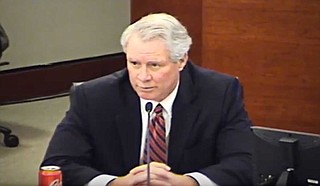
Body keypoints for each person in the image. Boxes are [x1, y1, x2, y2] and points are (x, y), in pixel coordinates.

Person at [41, 13, 253, 186]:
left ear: (181, 61)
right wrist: (115, 184)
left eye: (154, 65)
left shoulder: (220, 92)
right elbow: (57, 165)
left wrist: (189, 182)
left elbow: (244, 162)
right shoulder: (94, 96)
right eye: (134, 63)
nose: (142, 77)